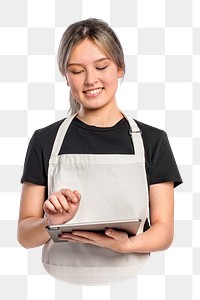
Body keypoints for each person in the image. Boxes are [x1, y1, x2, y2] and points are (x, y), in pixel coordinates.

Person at [17, 18, 182, 285]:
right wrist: (50, 221)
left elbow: (164, 232)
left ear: (119, 67)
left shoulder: (153, 141)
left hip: (134, 282)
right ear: (66, 76)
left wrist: (126, 246)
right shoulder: (44, 140)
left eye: (101, 66)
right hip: (57, 284)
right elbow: (25, 235)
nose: (90, 80)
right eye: (76, 70)